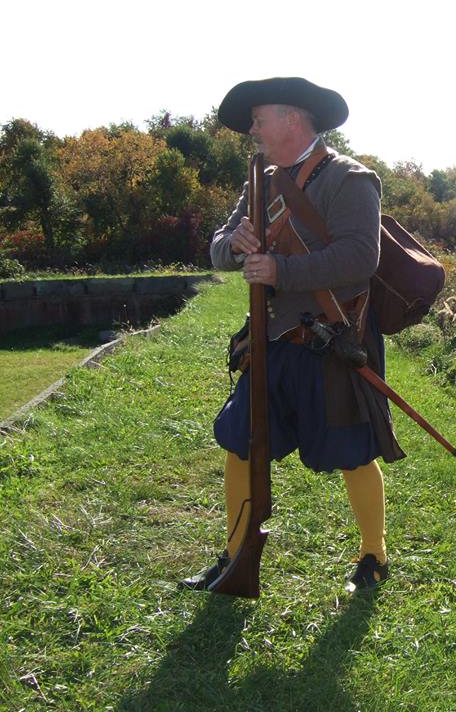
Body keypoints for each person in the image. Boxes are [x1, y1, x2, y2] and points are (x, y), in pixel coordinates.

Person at [180, 77, 404, 594]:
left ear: (292, 120)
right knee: (240, 443)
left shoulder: (351, 179)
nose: (252, 130)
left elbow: (357, 259)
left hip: (333, 338)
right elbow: (220, 247)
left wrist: (280, 271)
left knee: (353, 451)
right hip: (272, 339)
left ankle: (374, 553)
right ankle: (236, 555)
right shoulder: (259, 178)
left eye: (260, 119)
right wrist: (235, 245)